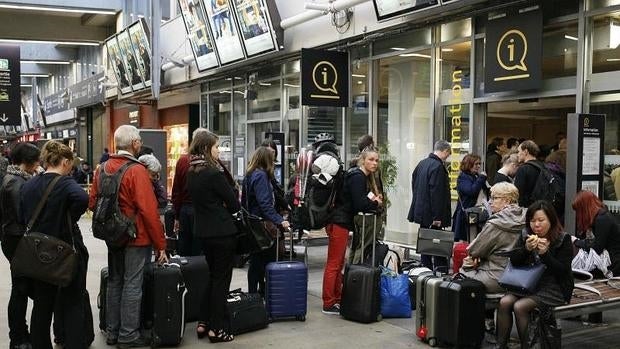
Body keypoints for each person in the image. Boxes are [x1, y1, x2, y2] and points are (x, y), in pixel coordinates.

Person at [89, 125, 167, 347]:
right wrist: (160, 244)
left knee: (114, 282)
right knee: (133, 284)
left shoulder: (102, 168)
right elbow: (149, 211)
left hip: (113, 236)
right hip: (136, 237)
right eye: (139, 140)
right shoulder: (136, 170)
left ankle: (113, 332)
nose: (140, 143)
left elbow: (93, 202)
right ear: (134, 144)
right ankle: (129, 335)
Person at [20, 141, 90, 349]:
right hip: (64, 250)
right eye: (71, 164)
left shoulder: (29, 184)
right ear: (65, 161)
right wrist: (69, 216)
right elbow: (82, 198)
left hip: (37, 251)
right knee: (72, 302)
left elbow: (22, 209)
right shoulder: (65, 183)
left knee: (42, 304)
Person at [496, 200, 574, 349]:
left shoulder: (563, 239)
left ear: (550, 220)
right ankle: (500, 345)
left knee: (520, 306)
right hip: (528, 283)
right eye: (532, 221)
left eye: (541, 220)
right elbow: (515, 262)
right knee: (504, 302)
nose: (536, 225)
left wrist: (545, 254)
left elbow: (562, 271)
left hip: (554, 286)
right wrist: (525, 249)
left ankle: (528, 346)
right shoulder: (526, 234)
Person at [186, 131, 239, 342]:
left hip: (204, 233)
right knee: (221, 281)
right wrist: (225, 204)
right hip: (223, 232)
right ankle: (217, 329)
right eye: (217, 147)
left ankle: (203, 321)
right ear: (207, 149)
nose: (219, 150)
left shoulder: (192, 171)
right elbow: (234, 202)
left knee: (212, 276)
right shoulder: (213, 173)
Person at [0, 142, 40, 349]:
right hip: (17, 240)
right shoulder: (16, 182)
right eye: (36, 160)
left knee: (22, 288)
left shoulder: (15, 178)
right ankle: (18, 337)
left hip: (12, 238)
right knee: (21, 289)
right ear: (27, 162)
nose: (39, 164)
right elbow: (22, 215)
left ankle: (20, 335)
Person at [460, 182, 526, 293]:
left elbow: (474, 250)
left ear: (507, 201)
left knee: (463, 271)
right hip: (520, 274)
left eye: (494, 198)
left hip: (496, 276)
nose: (490, 202)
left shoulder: (496, 223)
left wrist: (476, 257)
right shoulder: (525, 217)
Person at [243, 147, 290, 296]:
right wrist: (279, 220)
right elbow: (265, 204)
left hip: (252, 223)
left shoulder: (250, 175)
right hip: (263, 225)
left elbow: (245, 202)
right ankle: (263, 294)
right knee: (266, 261)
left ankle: (253, 294)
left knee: (255, 261)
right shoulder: (261, 176)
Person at [407, 140, 452, 270]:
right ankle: (440, 269)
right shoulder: (437, 166)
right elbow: (436, 193)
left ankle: (425, 268)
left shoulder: (422, 163)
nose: (447, 157)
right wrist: (437, 217)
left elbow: (414, 182)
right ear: (444, 151)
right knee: (437, 243)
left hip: (422, 210)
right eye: (448, 154)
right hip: (432, 212)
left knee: (425, 242)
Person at [345, 146, 384, 265]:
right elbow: (360, 203)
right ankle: (355, 276)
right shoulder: (358, 176)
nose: (374, 163)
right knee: (361, 249)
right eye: (371, 160)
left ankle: (351, 275)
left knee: (358, 248)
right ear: (363, 160)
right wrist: (376, 202)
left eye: (376, 160)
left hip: (363, 219)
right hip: (363, 219)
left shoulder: (363, 176)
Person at [572, 191, 620, 277]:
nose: (578, 214)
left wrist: (576, 241)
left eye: (579, 210)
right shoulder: (602, 216)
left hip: (613, 263)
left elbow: (597, 247)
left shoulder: (602, 219)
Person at [453, 154, 488, 242]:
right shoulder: (463, 177)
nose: (478, 166)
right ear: (469, 164)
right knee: (466, 241)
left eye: (479, 164)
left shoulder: (476, 176)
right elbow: (471, 191)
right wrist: (482, 178)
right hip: (467, 215)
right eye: (476, 164)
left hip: (477, 213)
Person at [513, 140, 545, 208]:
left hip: (527, 208)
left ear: (525, 151)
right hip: (541, 207)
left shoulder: (523, 169)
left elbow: (518, 194)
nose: (517, 155)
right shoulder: (543, 166)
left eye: (518, 151)